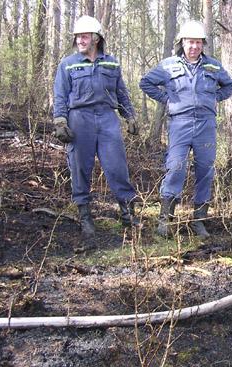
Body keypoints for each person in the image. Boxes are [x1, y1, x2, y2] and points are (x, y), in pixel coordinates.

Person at [139, 20, 232, 238]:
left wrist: (215, 98)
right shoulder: (168, 65)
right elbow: (145, 83)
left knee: (205, 170)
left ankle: (199, 221)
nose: (194, 46)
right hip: (179, 123)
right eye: (190, 42)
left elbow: (230, 85)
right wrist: (166, 99)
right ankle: (165, 220)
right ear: (182, 42)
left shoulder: (213, 66)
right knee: (175, 167)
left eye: (198, 42)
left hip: (205, 125)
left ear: (203, 44)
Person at [53, 15, 140, 243]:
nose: (80, 40)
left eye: (84, 36)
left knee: (117, 166)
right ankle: (85, 217)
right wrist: (60, 121)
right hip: (79, 118)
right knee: (80, 168)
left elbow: (121, 93)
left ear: (96, 39)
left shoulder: (111, 63)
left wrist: (129, 116)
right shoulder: (67, 64)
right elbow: (60, 96)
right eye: (78, 37)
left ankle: (128, 213)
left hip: (107, 117)